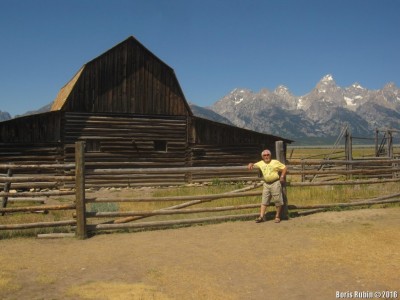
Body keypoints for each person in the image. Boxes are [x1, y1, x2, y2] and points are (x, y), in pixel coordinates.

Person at [248, 149, 287, 223]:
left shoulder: (275, 162)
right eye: (264, 155)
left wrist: (282, 176)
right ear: (262, 157)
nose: (266, 156)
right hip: (266, 184)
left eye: (268, 155)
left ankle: (277, 216)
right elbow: (253, 164)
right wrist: (251, 164)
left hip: (275, 183)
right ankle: (261, 216)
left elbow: (284, 168)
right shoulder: (261, 163)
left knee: (278, 200)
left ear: (270, 155)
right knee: (264, 201)